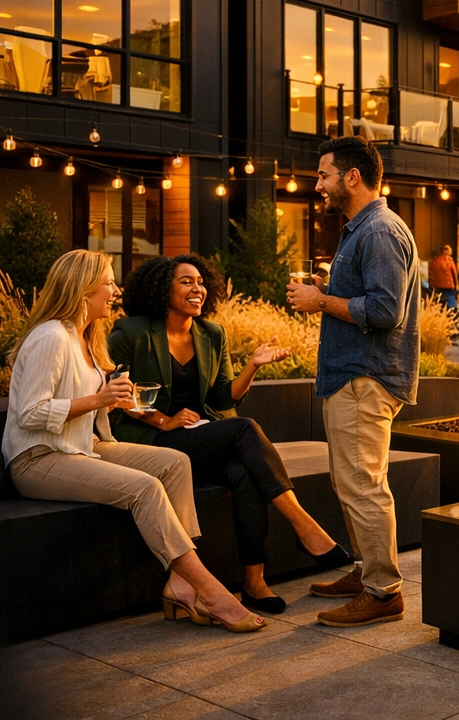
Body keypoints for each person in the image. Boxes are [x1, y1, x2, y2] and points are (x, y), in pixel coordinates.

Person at [2, 250, 266, 633]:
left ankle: (178, 584)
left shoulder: (87, 336)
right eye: (108, 282)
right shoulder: (51, 337)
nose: (115, 289)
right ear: (83, 288)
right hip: (37, 458)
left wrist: (113, 402)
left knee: (174, 463)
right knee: (145, 488)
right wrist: (99, 399)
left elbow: (89, 407)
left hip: (81, 446)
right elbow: (30, 413)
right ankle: (211, 590)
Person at [108, 254, 352, 613]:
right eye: (186, 282)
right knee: (244, 428)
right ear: (162, 289)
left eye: (201, 282)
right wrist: (164, 420)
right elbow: (115, 393)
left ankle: (254, 583)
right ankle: (304, 525)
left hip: (198, 440)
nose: (198, 289)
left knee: (245, 474)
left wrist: (252, 366)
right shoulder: (132, 331)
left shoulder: (211, 334)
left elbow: (223, 395)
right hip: (154, 443)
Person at [286, 135, 421, 628]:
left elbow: (386, 311)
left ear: (352, 177)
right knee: (352, 481)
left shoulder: (379, 230)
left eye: (322, 175)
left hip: (365, 377)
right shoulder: (359, 229)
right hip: (353, 375)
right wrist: (324, 292)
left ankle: (383, 592)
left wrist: (320, 301)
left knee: (363, 485)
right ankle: (368, 569)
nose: (316, 184)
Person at [428, 244, 459, 312]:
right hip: (449, 286)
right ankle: (452, 310)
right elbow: (454, 273)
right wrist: (456, 285)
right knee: (450, 299)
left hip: (437, 286)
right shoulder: (449, 260)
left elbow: (431, 274)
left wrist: (431, 284)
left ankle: (441, 312)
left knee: (440, 300)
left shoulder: (434, 261)